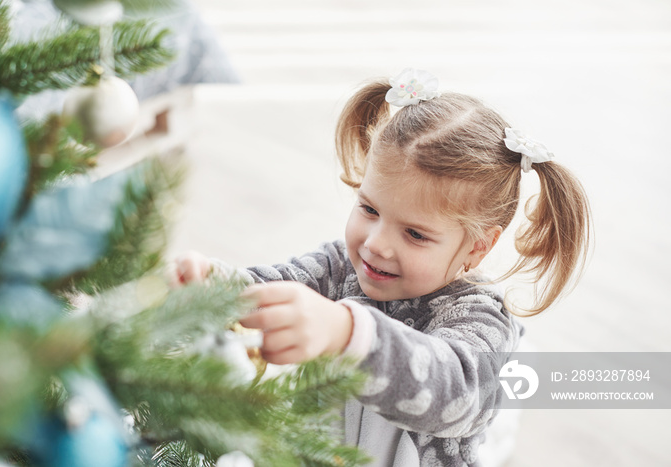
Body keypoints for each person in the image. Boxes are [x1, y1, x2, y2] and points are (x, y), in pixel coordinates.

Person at [172, 68, 591, 466]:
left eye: (415, 234)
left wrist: (347, 332)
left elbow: (453, 394)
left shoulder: (479, 319)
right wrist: (214, 284)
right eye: (369, 209)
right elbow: (271, 289)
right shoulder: (340, 266)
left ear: (477, 249)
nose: (375, 244)